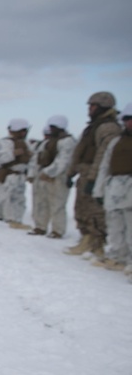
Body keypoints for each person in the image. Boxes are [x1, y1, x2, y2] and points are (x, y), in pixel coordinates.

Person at [66, 91, 122, 257]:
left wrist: (93, 178)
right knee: (82, 209)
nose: (89, 109)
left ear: (103, 107)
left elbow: (103, 154)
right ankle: (86, 239)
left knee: (95, 212)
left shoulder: (108, 128)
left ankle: (97, 244)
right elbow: (79, 152)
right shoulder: (92, 127)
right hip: (84, 173)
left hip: (95, 175)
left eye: (93, 106)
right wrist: (70, 173)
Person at [90, 102, 132, 277]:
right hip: (115, 187)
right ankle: (118, 256)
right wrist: (99, 190)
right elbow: (105, 166)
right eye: (127, 119)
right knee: (115, 225)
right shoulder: (116, 141)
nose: (129, 123)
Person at [28, 115, 76, 238]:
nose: (51, 129)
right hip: (42, 177)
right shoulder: (46, 142)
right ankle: (40, 226)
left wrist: (49, 172)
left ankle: (57, 230)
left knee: (57, 204)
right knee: (40, 202)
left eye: (54, 127)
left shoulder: (68, 142)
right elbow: (36, 158)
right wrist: (32, 173)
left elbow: (63, 160)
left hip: (58, 178)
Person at [0, 119, 33, 229]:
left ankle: (16, 220)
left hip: (21, 175)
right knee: (0, 197)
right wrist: (12, 154)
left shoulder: (26, 143)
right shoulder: (3, 142)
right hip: (9, 175)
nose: (24, 133)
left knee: (19, 200)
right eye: (22, 131)